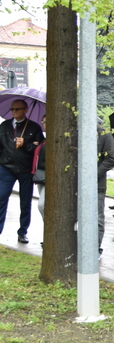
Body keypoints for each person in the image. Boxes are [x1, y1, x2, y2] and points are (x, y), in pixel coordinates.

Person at [0, 99, 43, 243]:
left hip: (25, 169)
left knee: (25, 203)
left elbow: (39, 149)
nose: (14, 112)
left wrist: (26, 144)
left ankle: (23, 232)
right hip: (6, 168)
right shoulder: (4, 126)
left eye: (17, 109)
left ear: (25, 110)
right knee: (1, 198)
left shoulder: (34, 127)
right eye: (12, 109)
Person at [96, 119, 114, 252]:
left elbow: (110, 158)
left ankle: (95, 247)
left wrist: (94, 174)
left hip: (97, 184)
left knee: (97, 217)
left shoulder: (105, 135)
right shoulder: (75, 133)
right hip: (74, 184)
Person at [32, 117, 46, 219]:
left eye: (47, 121)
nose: (45, 124)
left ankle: (49, 225)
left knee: (42, 205)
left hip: (47, 176)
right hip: (39, 175)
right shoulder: (43, 141)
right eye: (43, 122)